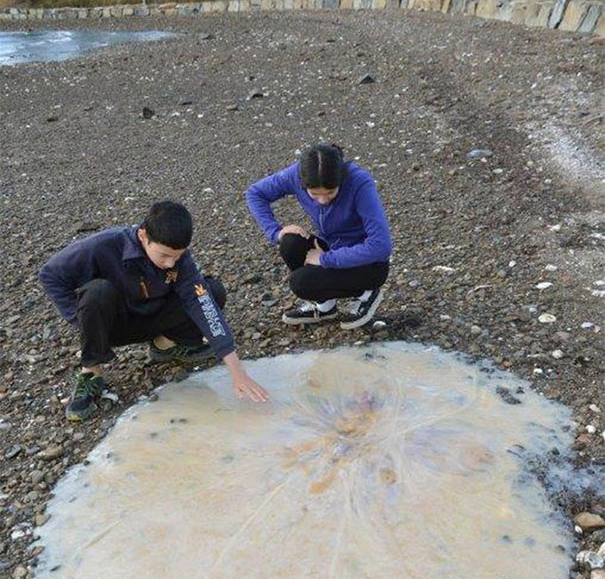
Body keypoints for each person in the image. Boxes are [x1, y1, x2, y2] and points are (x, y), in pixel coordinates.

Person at [40, 200, 268, 421]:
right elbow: (50, 275)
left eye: (177, 256)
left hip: (154, 318)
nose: (171, 263)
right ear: (143, 236)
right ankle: (91, 374)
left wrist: (237, 370)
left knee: (210, 292)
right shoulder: (103, 245)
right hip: (113, 325)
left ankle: (165, 346)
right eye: (164, 255)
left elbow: (204, 306)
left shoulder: (180, 261)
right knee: (97, 292)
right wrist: (79, 320)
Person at [246, 143, 392, 329]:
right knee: (290, 242)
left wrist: (325, 259)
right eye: (314, 194)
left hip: (369, 264)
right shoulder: (296, 174)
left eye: (330, 192)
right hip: (333, 249)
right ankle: (325, 306)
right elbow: (255, 193)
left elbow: (381, 246)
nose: (323, 200)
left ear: (341, 180)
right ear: (302, 183)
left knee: (300, 282)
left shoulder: (359, 182)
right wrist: (275, 232)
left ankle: (367, 293)